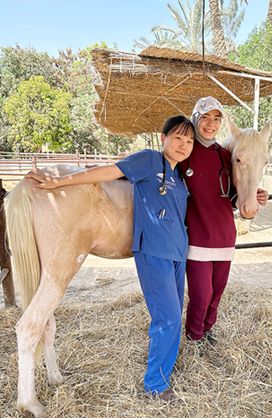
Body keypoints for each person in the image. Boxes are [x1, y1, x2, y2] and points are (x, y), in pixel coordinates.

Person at [27, 115, 195, 402]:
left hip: (179, 253)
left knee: (174, 315)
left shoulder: (179, 176)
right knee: (166, 317)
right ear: (164, 138)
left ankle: (163, 373)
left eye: (189, 141)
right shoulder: (149, 160)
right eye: (178, 138)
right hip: (154, 251)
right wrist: (60, 182)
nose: (183, 145)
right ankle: (155, 385)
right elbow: (107, 172)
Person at [179, 96, 268, 345]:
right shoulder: (185, 152)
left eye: (216, 119)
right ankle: (194, 336)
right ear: (195, 118)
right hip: (197, 238)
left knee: (217, 293)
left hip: (225, 237)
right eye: (205, 117)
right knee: (201, 294)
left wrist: (256, 195)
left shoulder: (225, 155)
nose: (210, 124)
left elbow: (232, 193)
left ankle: (208, 331)